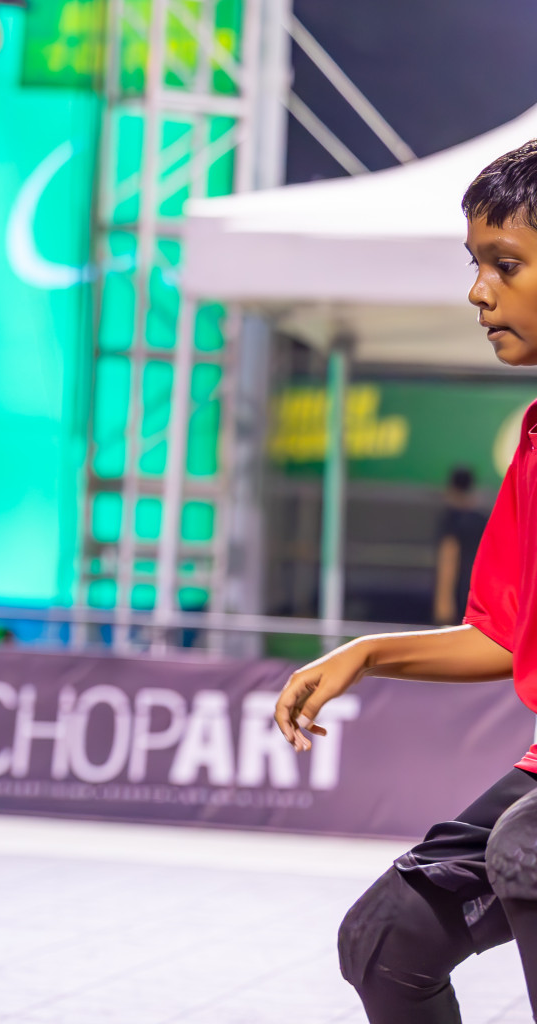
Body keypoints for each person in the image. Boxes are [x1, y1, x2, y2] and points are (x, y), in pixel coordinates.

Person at [276, 138, 537, 1022]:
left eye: (506, 265)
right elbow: (505, 633)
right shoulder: (534, 441)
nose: (478, 292)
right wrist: (366, 653)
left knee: (527, 848)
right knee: (387, 939)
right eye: (477, 265)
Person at [433, 465, 488, 626]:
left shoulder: (451, 519)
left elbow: (448, 557)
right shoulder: (481, 519)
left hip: (457, 595)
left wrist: (443, 601)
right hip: (478, 596)